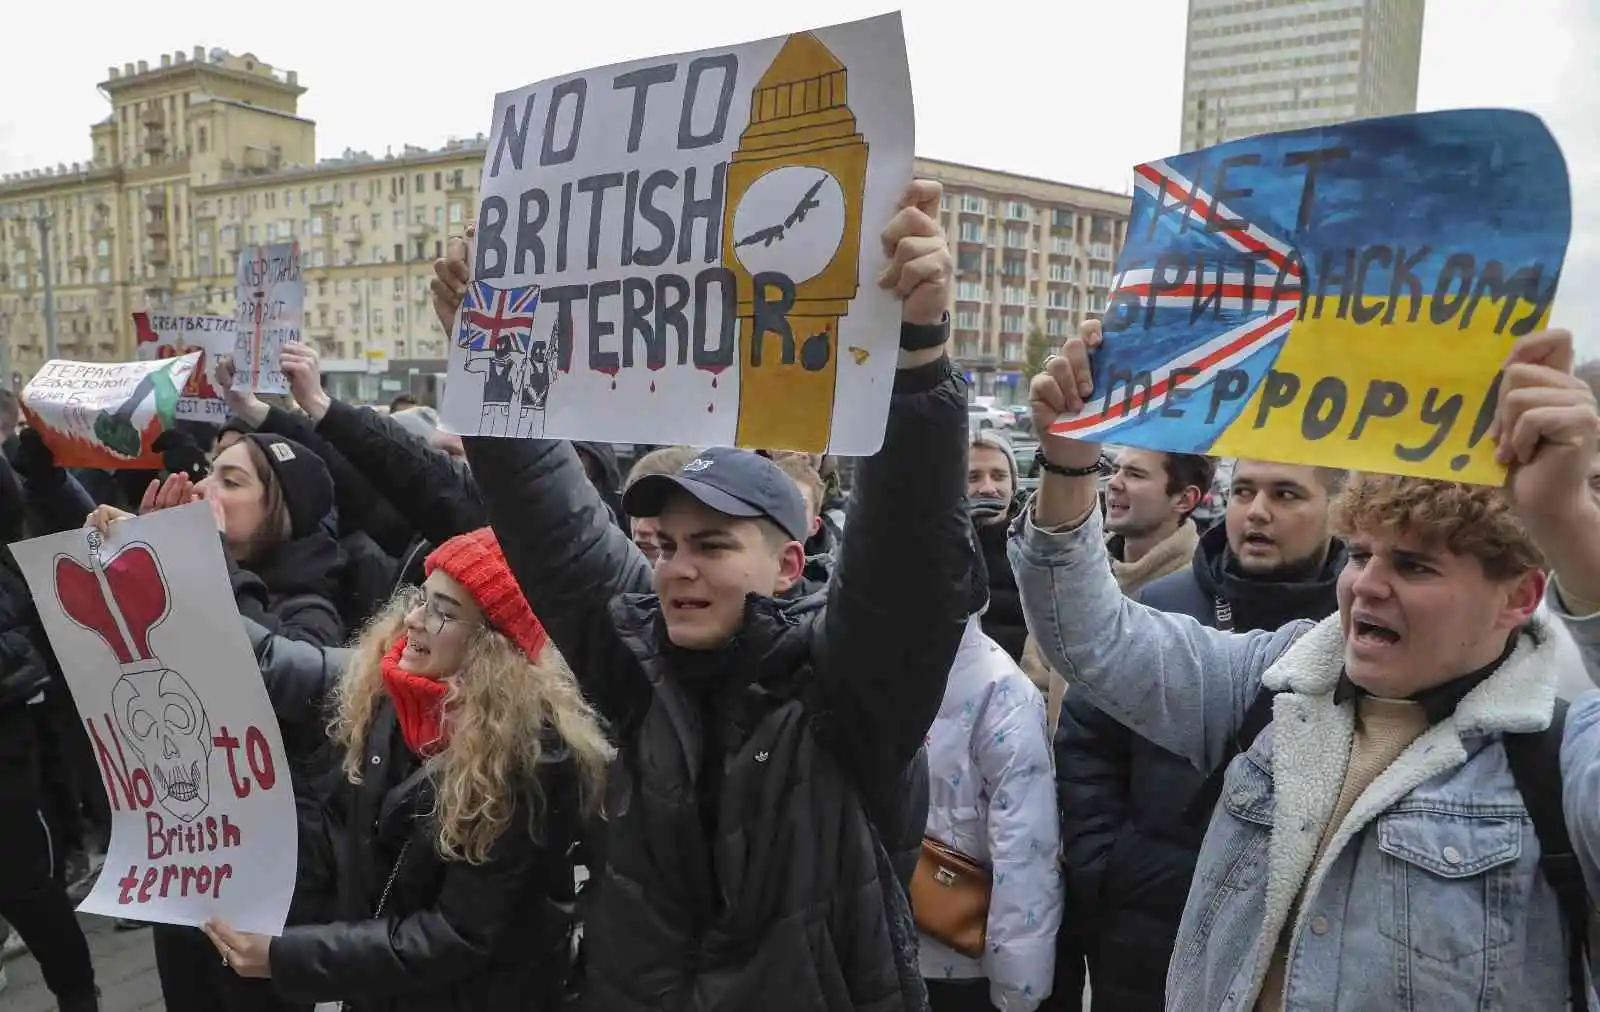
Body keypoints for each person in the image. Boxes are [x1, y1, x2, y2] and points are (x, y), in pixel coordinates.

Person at [433, 177, 972, 1010]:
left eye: (714, 546)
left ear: (789, 565)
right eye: (670, 545)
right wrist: (490, 354)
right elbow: (558, 530)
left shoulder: (847, 695)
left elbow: (907, 563)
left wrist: (919, 355)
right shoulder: (638, 657)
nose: (679, 568)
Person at [1011, 321, 1600, 1010]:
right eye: (1357, 554)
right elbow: (1087, 640)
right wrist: (1070, 460)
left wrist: (1568, 526)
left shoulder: (1556, 761)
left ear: (1518, 597)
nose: (1366, 587)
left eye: (1412, 566)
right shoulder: (1278, 683)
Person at [192, 528, 612, 1011]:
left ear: (493, 648)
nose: (413, 620)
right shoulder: (387, 683)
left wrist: (285, 957)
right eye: (421, 598)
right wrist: (168, 560)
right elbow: (266, 660)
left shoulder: (528, 760)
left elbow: (456, 936)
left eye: (444, 613)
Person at [1054, 459, 1349, 1011]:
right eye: (1243, 491)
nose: (1257, 511)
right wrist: (1107, 866)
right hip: (1147, 924)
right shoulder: (1160, 605)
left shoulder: (1358, 628)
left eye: (1286, 494)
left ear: (1336, 508)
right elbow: (1086, 739)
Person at [918, 540, 1061, 1012]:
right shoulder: (863, 671)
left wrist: (1017, 985)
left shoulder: (1000, 692)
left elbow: (1026, 844)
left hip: (958, 956)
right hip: (871, 948)